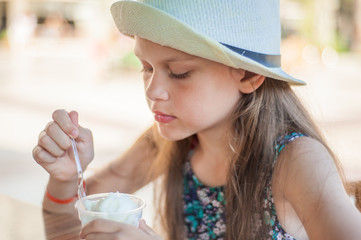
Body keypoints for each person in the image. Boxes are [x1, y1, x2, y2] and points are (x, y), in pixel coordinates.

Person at [32, 0, 361, 239]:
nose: (153, 90)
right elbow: (68, 227)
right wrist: (65, 178)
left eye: (179, 72)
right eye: (146, 67)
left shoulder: (296, 161)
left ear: (247, 75)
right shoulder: (164, 143)